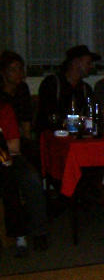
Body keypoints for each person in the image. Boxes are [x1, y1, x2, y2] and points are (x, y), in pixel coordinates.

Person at [0, 102, 48, 256]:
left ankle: (38, 232)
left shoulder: (4, 109)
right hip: (4, 155)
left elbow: (14, 147)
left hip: (8, 156)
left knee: (30, 178)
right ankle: (18, 234)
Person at [35, 45, 96, 132]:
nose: (91, 66)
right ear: (75, 62)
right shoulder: (52, 83)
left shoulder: (86, 89)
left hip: (76, 134)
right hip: (53, 134)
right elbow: (47, 115)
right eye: (88, 63)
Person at [0, 51, 36, 164]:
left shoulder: (22, 89)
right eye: (13, 70)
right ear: (3, 72)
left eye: (20, 69)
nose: (19, 73)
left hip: (19, 137)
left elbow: (26, 119)